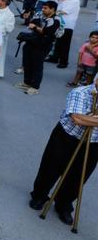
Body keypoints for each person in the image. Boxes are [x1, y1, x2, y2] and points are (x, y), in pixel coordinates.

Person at [28, 78, 98, 225]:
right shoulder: (81, 92)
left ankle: (63, 205)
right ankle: (39, 195)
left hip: (93, 143)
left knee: (79, 176)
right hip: (66, 136)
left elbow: (84, 119)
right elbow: (77, 118)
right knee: (51, 167)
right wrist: (89, 119)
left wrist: (90, 120)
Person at [17, 1, 60, 95]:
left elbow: (47, 32)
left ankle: (35, 87)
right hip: (31, 41)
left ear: (52, 9)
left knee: (37, 66)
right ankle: (26, 82)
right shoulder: (40, 15)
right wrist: (38, 28)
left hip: (43, 45)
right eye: (43, 8)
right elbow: (31, 24)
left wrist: (36, 28)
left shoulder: (56, 20)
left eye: (45, 8)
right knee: (27, 63)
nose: (43, 10)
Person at [48, 0, 79, 69]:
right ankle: (55, 58)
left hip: (67, 25)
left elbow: (64, 11)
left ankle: (63, 62)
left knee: (65, 44)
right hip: (60, 23)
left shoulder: (74, 1)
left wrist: (53, 13)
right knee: (58, 41)